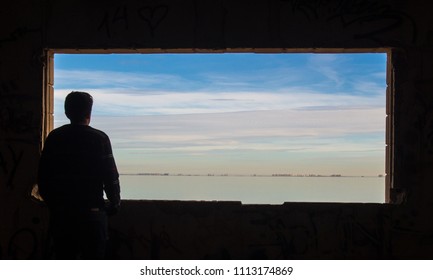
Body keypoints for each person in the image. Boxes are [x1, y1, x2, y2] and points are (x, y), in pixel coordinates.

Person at [38, 91, 121, 259]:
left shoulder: (55, 138)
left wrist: (55, 206)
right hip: (92, 214)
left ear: (67, 112)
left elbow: (43, 178)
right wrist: (114, 202)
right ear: (89, 113)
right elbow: (110, 176)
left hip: (62, 217)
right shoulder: (100, 139)